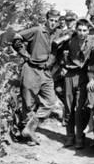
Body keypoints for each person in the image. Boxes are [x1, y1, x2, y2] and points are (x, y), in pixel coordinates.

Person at [11, 9, 63, 146]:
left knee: (50, 101)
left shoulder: (57, 34)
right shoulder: (38, 30)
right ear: (46, 19)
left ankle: (29, 128)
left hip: (45, 72)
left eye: (56, 21)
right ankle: (29, 135)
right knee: (28, 104)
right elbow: (17, 37)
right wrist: (24, 54)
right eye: (51, 20)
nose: (53, 23)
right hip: (31, 69)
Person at [59, 18, 94, 149]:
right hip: (70, 74)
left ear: (88, 31)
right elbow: (58, 52)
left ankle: (80, 137)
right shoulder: (70, 41)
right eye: (79, 30)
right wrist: (63, 66)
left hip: (83, 76)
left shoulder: (93, 40)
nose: (82, 33)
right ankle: (70, 137)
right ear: (76, 30)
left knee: (80, 108)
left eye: (84, 30)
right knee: (69, 107)